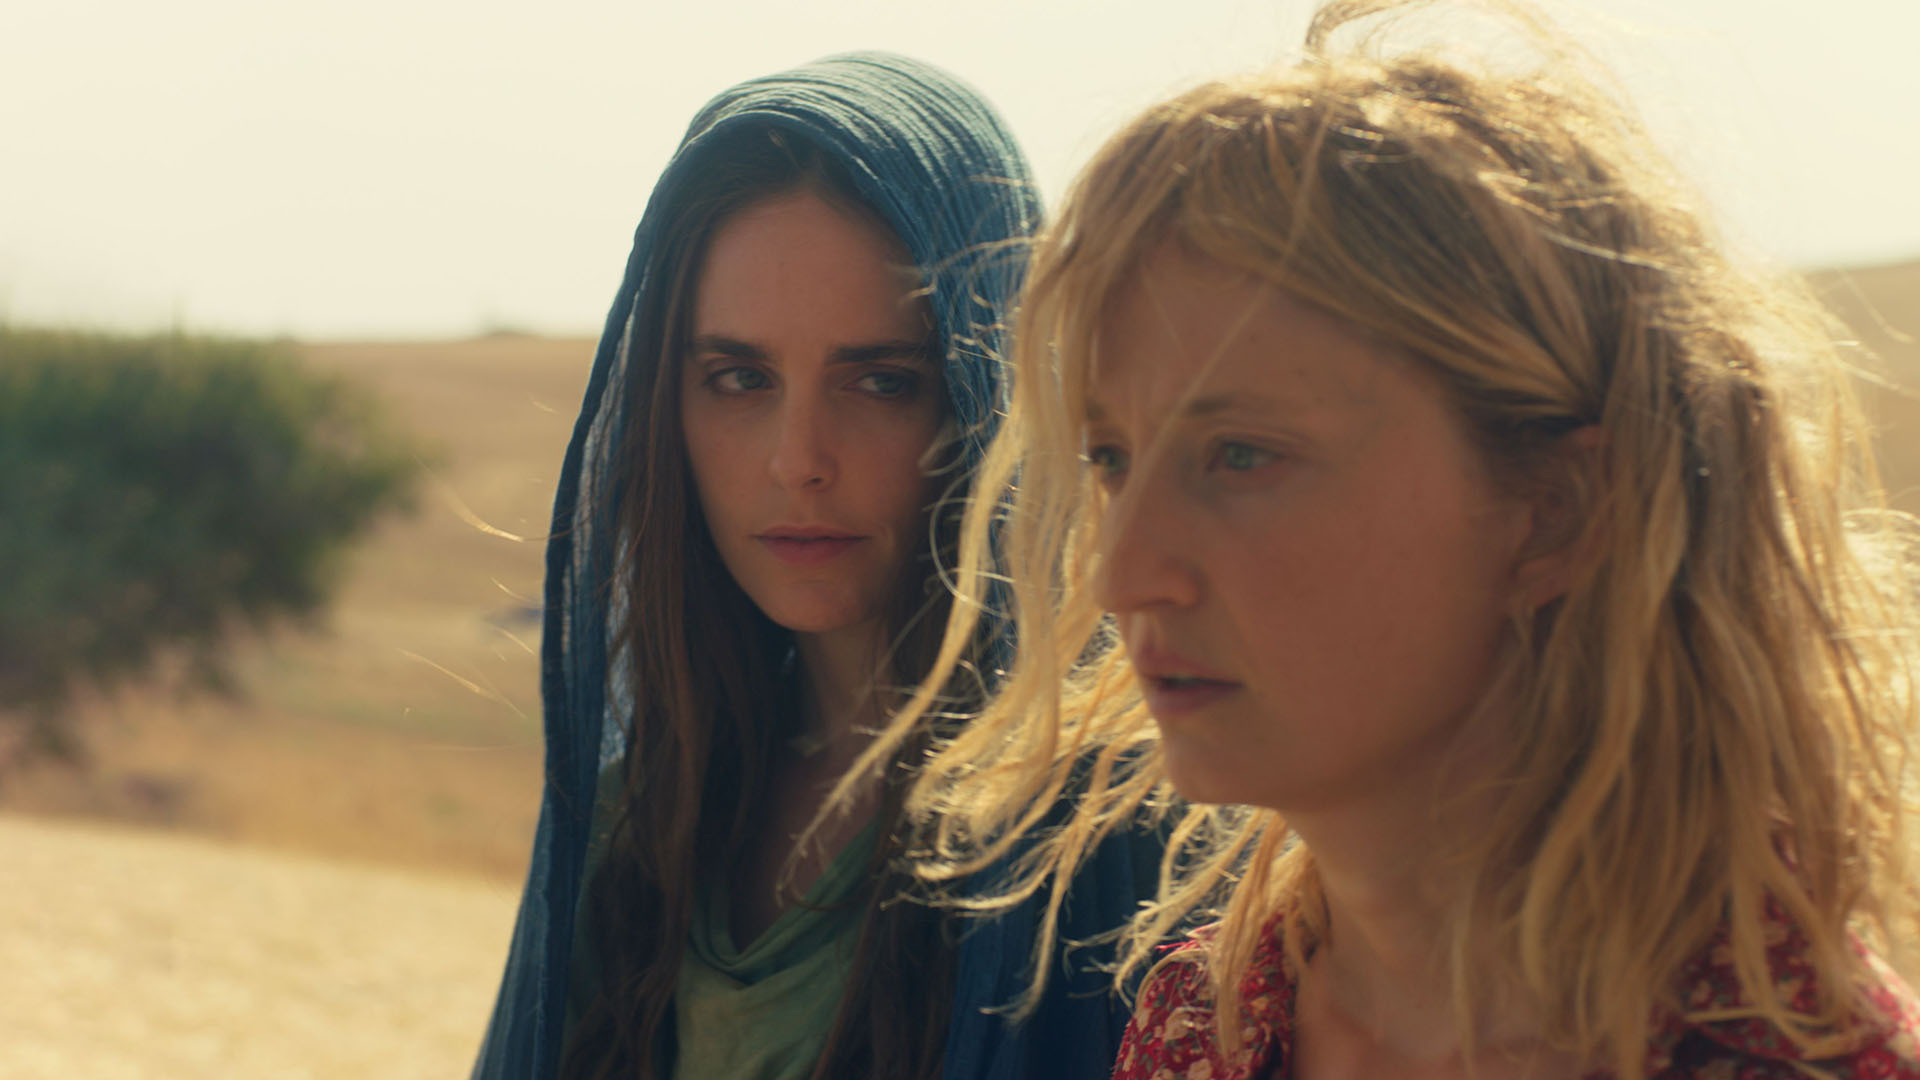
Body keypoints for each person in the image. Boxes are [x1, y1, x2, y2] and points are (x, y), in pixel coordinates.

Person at [860, 3, 1920, 1078]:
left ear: (1556, 508)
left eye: (1241, 456)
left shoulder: (1794, 1060)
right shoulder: (1203, 1028)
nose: (1123, 574)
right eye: (1111, 459)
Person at [471, 54, 1153, 1080]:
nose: (798, 461)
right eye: (738, 378)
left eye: (880, 381)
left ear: (989, 399)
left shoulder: (1115, 833)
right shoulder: (643, 820)